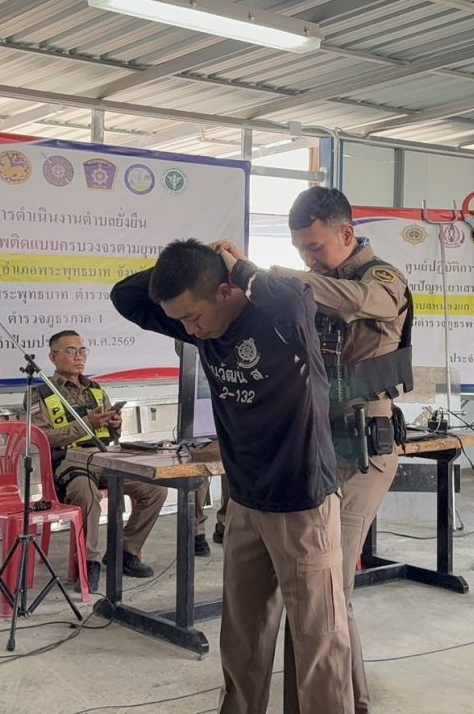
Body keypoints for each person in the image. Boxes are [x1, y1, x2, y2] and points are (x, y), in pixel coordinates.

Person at [112, 239, 353, 714]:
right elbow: (126, 296)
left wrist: (237, 266)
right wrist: (195, 259)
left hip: (302, 502)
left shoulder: (283, 321)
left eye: (192, 318)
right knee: (243, 638)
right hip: (244, 499)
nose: (189, 330)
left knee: (318, 642)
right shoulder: (203, 323)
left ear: (226, 292)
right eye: (181, 321)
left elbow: (297, 298)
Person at [266, 185, 413, 714]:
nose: (308, 258)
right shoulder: (317, 282)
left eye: (315, 247)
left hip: (363, 449)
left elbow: (357, 302)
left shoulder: (383, 280)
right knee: (315, 588)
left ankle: (351, 702)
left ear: (347, 233)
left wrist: (280, 276)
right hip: (317, 442)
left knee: (330, 589)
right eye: (300, 250)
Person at [25, 330, 167, 592]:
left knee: (155, 489)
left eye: (82, 351)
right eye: (71, 351)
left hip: (104, 458)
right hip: (69, 460)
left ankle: (126, 552)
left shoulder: (96, 390)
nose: (78, 357)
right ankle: (88, 561)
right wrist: (85, 425)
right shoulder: (39, 393)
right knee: (86, 494)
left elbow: (111, 436)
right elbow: (42, 437)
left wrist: (114, 424)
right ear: (53, 356)